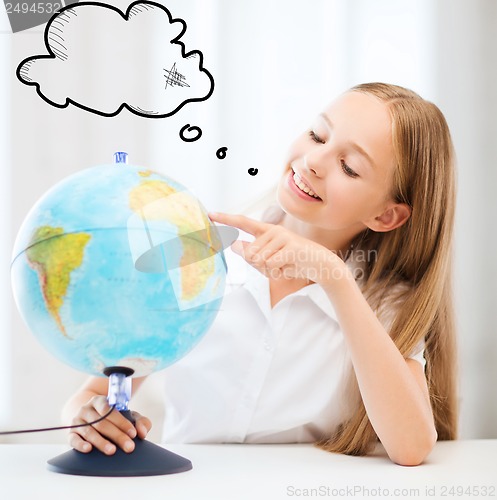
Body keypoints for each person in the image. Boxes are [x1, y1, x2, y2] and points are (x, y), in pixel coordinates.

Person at [62, 82, 457, 466]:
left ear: (386, 215)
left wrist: (335, 278)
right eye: (317, 136)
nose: (314, 162)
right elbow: (93, 393)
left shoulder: (384, 304)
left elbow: (411, 447)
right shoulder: (198, 257)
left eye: (349, 167)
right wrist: (86, 417)